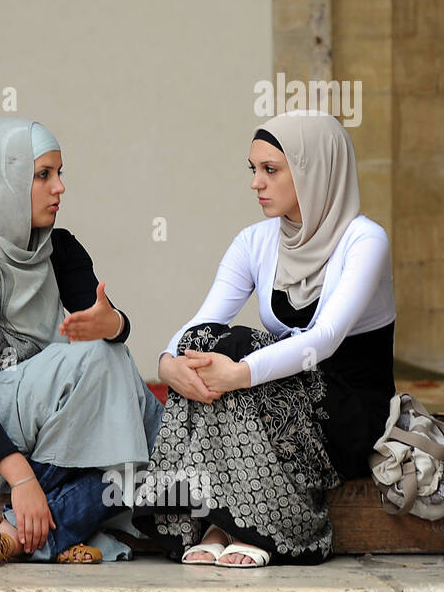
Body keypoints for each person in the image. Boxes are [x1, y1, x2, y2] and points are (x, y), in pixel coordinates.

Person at [134, 110, 395, 567]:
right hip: (279, 401)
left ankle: (276, 529)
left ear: (314, 171)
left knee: (234, 348)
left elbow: (327, 338)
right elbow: (203, 320)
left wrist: (240, 372)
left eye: (270, 170)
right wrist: (167, 364)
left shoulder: (364, 240)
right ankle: (223, 520)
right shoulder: (255, 241)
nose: (256, 183)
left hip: (348, 414)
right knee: (205, 339)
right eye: (253, 170)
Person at [0, 117, 162, 566]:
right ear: (3, 183)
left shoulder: (59, 250)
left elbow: (111, 332)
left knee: (155, 434)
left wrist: (112, 322)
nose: (59, 188)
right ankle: (48, 519)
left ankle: (23, 532)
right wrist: (21, 479)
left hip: (31, 403)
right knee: (104, 369)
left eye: (60, 174)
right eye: (43, 176)